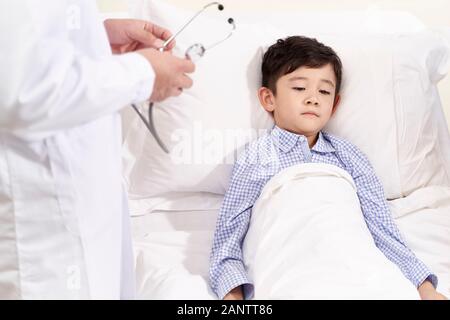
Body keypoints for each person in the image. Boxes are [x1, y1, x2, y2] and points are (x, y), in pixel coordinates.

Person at [209, 36, 447, 300]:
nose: (313, 99)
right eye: (299, 88)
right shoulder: (256, 157)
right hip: (291, 268)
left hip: (356, 266)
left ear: (334, 105)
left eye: (324, 92)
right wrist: (233, 298)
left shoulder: (349, 156)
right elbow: (227, 242)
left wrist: (425, 288)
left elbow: (383, 230)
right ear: (268, 99)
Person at [0, 1, 194, 299]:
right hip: (46, 229)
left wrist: (94, 38)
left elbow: (29, 42)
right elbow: (23, 92)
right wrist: (142, 72)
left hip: (79, 203)